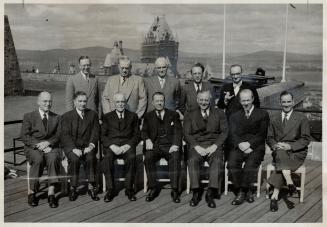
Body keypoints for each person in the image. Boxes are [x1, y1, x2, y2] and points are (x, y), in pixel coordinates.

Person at [267, 91, 310, 212]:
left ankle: (274, 195)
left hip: (296, 152)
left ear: (293, 102)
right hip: (280, 151)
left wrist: (289, 147)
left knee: (281, 161)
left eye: (288, 102)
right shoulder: (274, 118)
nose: (286, 104)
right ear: (280, 102)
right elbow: (269, 138)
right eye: (284, 102)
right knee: (280, 152)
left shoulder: (302, 118)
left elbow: (306, 139)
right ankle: (289, 181)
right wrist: (275, 145)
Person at [184, 90, 228, 208]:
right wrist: (197, 147)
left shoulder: (219, 113)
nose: (204, 102)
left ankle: (210, 192)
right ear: (197, 100)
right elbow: (187, 134)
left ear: (210, 100)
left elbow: (224, 132)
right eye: (201, 100)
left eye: (206, 100)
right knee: (192, 160)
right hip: (197, 145)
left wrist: (215, 146)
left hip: (213, 145)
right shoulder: (190, 114)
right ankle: (196, 191)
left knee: (217, 161)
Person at [228, 89, 269, 205]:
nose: (245, 103)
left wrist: (250, 144)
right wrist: (240, 144)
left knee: (250, 165)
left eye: (248, 100)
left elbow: (262, 134)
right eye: (243, 100)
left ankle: (241, 192)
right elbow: (232, 134)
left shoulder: (263, 114)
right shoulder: (234, 116)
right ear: (240, 101)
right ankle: (248, 190)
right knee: (232, 163)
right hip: (239, 146)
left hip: (255, 147)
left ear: (252, 99)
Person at [20, 91, 61, 208]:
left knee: (53, 158)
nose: (48, 104)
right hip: (33, 147)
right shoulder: (29, 116)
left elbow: (59, 135)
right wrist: (40, 145)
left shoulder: (56, 117)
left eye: (50, 101)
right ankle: (32, 191)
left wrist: (48, 143)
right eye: (45, 101)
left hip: (51, 147)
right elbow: (24, 136)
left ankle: (51, 192)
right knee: (38, 159)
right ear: (38, 102)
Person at [142, 92, 182, 203]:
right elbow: (144, 131)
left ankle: (174, 190)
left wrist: (175, 144)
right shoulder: (148, 116)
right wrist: (147, 140)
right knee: (148, 158)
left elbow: (178, 131)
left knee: (175, 158)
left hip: (169, 146)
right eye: (157, 101)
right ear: (152, 102)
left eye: (161, 101)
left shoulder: (173, 114)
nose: (159, 103)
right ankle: (153, 188)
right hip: (155, 146)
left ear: (164, 101)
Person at [61, 91, 100, 202]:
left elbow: (95, 132)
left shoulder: (92, 114)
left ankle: (92, 186)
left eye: (84, 101)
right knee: (74, 159)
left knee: (91, 158)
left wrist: (91, 145)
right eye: (80, 101)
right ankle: (73, 187)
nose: (83, 104)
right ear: (74, 102)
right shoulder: (66, 117)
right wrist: (73, 149)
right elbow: (65, 135)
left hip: (88, 147)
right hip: (73, 148)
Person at [101, 92, 140, 202]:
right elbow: (102, 135)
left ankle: (129, 189)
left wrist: (127, 146)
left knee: (132, 158)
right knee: (107, 159)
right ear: (114, 103)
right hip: (112, 147)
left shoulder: (133, 116)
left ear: (125, 102)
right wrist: (112, 146)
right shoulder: (107, 117)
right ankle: (110, 189)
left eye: (122, 101)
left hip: (127, 146)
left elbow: (137, 135)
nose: (120, 104)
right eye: (118, 102)